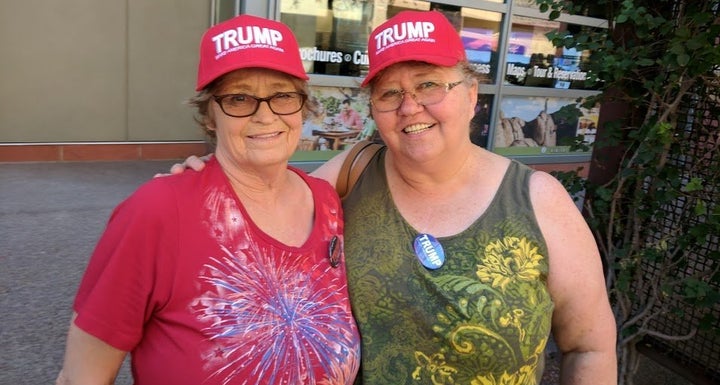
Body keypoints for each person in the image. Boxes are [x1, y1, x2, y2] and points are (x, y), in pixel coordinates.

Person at [173, 10, 617, 385]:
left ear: (470, 95)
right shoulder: (353, 173)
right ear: (374, 111)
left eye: (428, 85)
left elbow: (589, 347)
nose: (410, 107)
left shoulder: (538, 201)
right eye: (390, 92)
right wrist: (208, 181)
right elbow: (267, 204)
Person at [55, 14, 360, 385]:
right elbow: (82, 376)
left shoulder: (326, 202)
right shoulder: (160, 211)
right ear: (210, 115)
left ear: (302, 106)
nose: (265, 115)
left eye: (282, 95)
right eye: (238, 98)